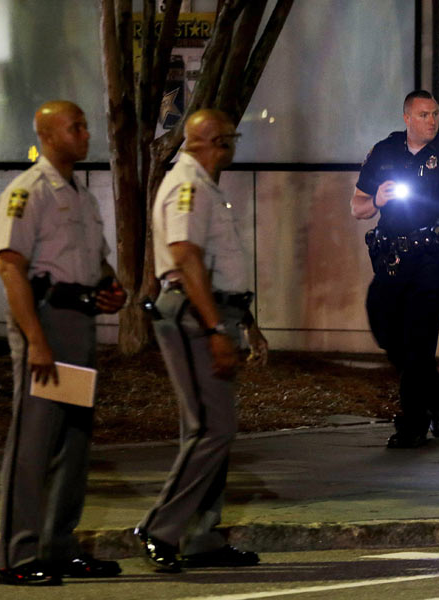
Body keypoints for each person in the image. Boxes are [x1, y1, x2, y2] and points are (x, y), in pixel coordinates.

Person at [0, 100, 127, 586]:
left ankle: (59, 546)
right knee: (33, 443)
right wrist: (36, 342)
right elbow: (11, 267)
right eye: (75, 127)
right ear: (47, 134)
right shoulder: (28, 193)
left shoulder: (81, 196)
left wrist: (111, 289)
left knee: (72, 441)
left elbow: (96, 261)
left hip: (78, 322)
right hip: (45, 322)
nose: (85, 134)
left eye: (85, 126)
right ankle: (18, 555)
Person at [134, 108, 267, 572]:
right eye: (229, 138)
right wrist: (214, 330)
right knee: (211, 430)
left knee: (214, 430)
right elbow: (186, 257)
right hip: (193, 317)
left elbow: (217, 264)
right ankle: (160, 527)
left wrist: (243, 322)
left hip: (213, 313)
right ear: (212, 142)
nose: (233, 146)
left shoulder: (203, 185)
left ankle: (201, 536)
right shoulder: (187, 186)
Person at [352, 90, 439, 448]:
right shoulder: (384, 151)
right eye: (424, 114)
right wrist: (377, 199)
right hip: (391, 258)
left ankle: (412, 423)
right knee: (384, 328)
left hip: (432, 258)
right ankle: (435, 392)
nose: (431, 121)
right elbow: (358, 207)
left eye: (435, 114)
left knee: (418, 339)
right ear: (407, 118)